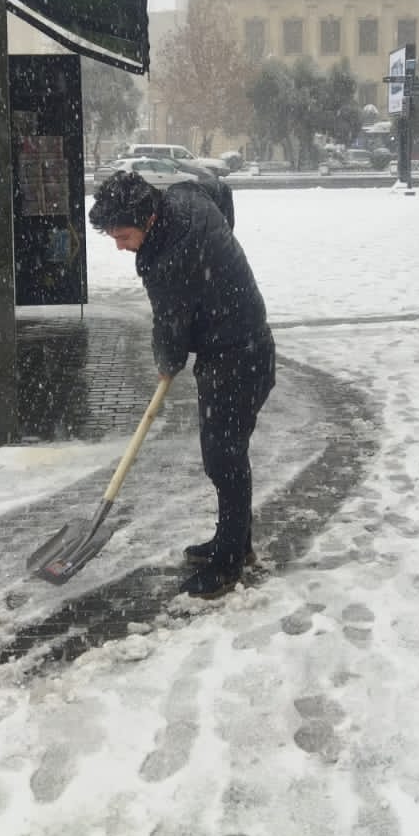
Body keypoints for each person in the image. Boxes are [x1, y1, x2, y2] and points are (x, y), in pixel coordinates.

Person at [89, 171, 275, 599]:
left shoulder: (168, 261)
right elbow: (220, 190)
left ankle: (228, 564)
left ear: (148, 219)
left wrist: (166, 363)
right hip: (249, 344)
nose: (119, 246)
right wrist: (219, 255)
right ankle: (235, 540)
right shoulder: (185, 196)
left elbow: (170, 330)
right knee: (229, 455)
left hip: (234, 360)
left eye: (123, 236)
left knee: (223, 460)